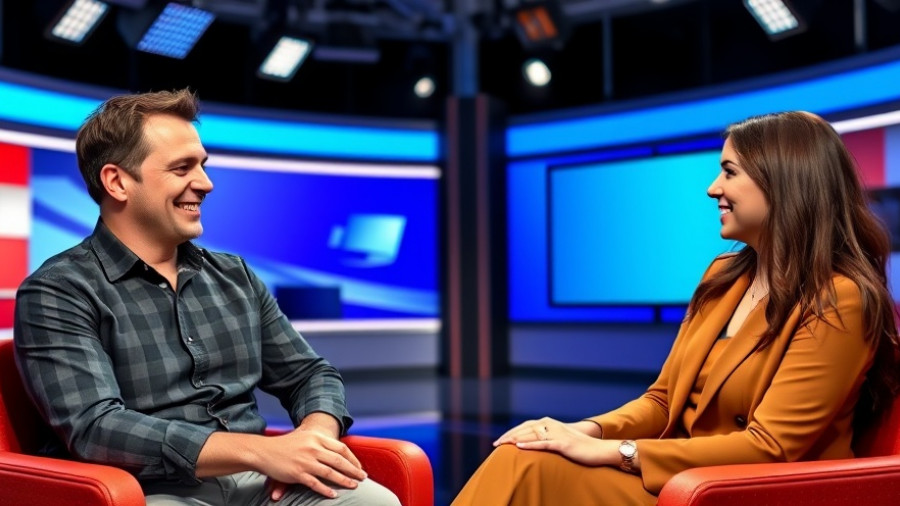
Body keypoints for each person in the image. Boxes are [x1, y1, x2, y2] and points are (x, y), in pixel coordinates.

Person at [451, 111, 900, 505]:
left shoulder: (840, 298)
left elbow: (771, 447)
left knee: (526, 470)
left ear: (783, 180)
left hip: (744, 492)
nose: (712, 189)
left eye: (729, 172)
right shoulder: (722, 277)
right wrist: (584, 431)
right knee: (521, 456)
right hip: (681, 480)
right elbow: (663, 401)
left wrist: (619, 452)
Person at [13, 89, 400, 506]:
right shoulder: (57, 290)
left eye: (202, 165)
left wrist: (313, 438)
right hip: (149, 489)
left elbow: (310, 374)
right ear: (117, 181)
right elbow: (97, 428)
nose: (205, 183)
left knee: (372, 501)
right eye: (182, 168)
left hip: (258, 480)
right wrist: (262, 451)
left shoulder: (234, 274)